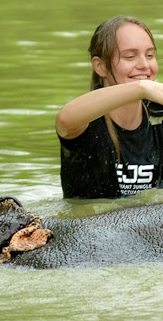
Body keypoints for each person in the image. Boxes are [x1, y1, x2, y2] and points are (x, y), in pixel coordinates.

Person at [57, 15, 163, 199]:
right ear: (100, 66)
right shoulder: (86, 121)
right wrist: (141, 88)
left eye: (150, 55)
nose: (144, 65)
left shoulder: (158, 118)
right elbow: (65, 119)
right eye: (130, 56)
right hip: (88, 225)